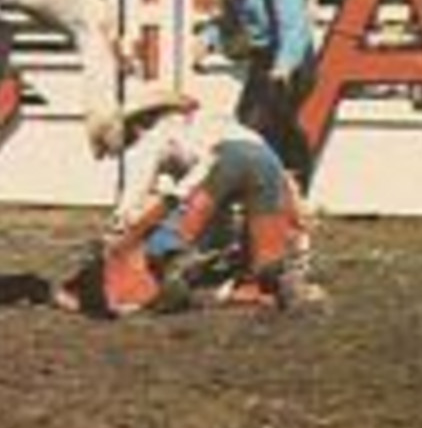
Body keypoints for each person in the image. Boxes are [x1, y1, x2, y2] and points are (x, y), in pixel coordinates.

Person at [57, 85, 317, 317]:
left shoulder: (154, 136)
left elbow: (136, 197)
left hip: (223, 161)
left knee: (168, 236)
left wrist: (119, 230)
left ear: (136, 125)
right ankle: (270, 284)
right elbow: (270, 169)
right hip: (265, 161)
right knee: (266, 257)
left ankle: (157, 276)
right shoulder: (209, 123)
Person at [200, 0, 317, 192]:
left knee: (264, 124)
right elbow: (230, 22)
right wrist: (207, 38)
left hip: (292, 60)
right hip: (264, 59)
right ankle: (277, 194)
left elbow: (294, 25)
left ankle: (290, 191)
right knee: (254, 123)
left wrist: (284, 66)